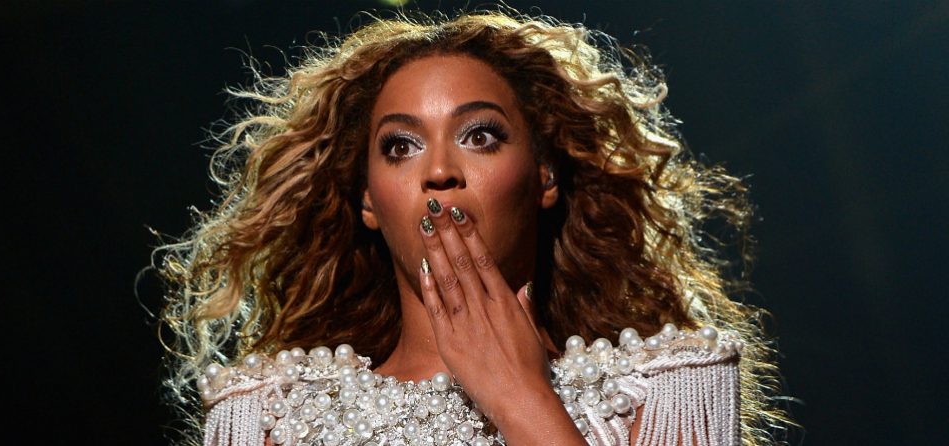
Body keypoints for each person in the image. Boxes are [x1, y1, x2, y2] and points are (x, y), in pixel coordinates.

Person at [154, 8, 791, 446]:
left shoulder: (672, 389)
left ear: (543, 176)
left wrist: (520, 398)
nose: (439, 172)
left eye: (480, 136)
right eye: (400, 146)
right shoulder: (269, 416)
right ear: (368, 201)